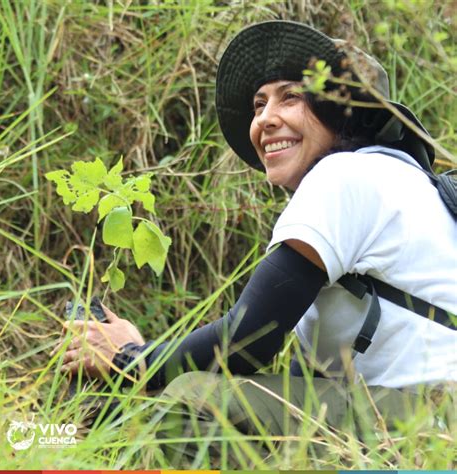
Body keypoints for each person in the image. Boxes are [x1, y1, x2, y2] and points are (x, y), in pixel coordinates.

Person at [54, 21, 456, 466]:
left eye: (291, 97)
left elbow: (248, 340)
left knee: (186, 404)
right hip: (417, 419)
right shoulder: (401, 184)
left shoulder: (346, 175)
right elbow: (291, 380)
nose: (264, 118)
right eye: (259, 104)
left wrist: (129, 359)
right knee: (179, 399)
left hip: (426, 422)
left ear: (345, 114)